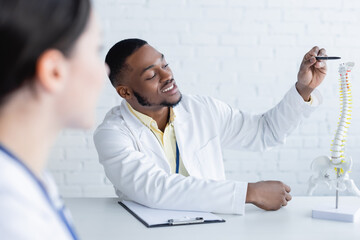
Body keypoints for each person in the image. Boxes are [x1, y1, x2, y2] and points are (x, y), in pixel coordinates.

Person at [94, 38, 326, 214]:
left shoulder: (202, 109)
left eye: (165, 65)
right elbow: (155, 188)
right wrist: (249, 192)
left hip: (210, 228)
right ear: (125, 92)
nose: (167, 76)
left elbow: (264, 132)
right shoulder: (112, 134)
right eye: (152, 75)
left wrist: (303, 89)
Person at [0, 0, 106, 239]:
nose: (105, 71)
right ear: (54, 71)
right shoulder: (11, 214)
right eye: (96, 50)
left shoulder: (27, 178)